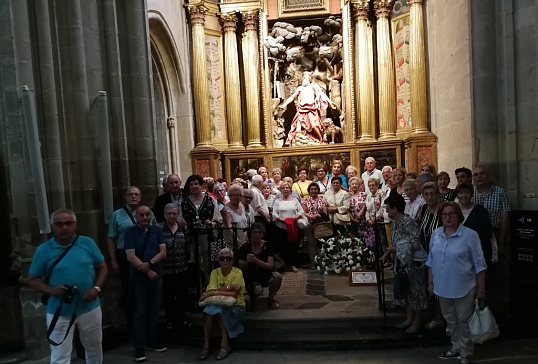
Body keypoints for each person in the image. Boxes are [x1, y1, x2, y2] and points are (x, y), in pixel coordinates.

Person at [28, 209, 107, 364]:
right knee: (60, 355)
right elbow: (32, 279)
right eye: (59, 224)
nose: (64, 227)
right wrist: (51, 290)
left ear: (75, 225)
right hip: (59, 310)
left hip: (89, 307)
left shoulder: (87, 243)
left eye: (68, 223)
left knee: (94, 349)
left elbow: (102, 266)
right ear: (53, 227)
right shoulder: (44, 250)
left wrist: (96, 288)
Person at [427, 202, 486, 364]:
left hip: (464, 286)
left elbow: (479, 264)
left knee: (464, 320)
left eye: (452, 213)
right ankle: (456, 347)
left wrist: (481, 288)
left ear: (458, 215)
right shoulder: (435, 234)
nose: (448, 217)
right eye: (445, 214)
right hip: (442, 286)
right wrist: (430, 283)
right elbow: (430, 261)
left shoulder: (470, 235)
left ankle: (466, 352)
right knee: (450, 320)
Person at [107, 186, 155, 331]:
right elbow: (111, 238)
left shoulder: (147, 213)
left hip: (146, 255)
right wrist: (114, 260)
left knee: (147, 290)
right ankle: (132, 325)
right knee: (130, 291)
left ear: (140, 197)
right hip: (125, 256)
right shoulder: (117, 215)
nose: (134, 197)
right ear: (125, 197)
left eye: (136, 194)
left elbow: (155, 231)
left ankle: (148, 324)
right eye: (131, 194)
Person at [124, 206, 167, 361]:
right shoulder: (129, 232)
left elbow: (163, 251)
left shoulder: (157, 230)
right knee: (140, 313)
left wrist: (150, 263)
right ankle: (139, 347)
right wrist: (147, 270)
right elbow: (130, 256)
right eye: (141, 215)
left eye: (148, 214)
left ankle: (152, 340)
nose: (145, 217)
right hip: (139, 279)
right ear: (136, 216)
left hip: (157, 278)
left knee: (153, 311)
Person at [381, 195, 428, 334]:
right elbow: (395, 243)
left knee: (416, 292)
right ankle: (409, 318)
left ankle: (417, 321)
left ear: (395, 209)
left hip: (413, 263)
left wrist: (395, 250)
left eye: (388, 209)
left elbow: (415, 243)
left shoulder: (408, 222)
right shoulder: (395, 222)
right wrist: (386, 254)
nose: (387, 212)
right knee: (407, 291)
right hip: (401, 262)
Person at [472, 165, 510, 314]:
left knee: (496, 272)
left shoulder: (500, 192)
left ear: (488, 175)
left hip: (494, 234)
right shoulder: (471, 193)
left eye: (482, 174)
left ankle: (497, 309)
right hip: (475, 237)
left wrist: (501, 241)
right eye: (476, 175)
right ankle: (479, 307)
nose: (479, 177)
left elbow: (505, 218)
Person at [199, 248, 246, 361]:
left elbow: (235, 294)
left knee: (220, 312)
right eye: (222, 258)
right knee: (208, 312)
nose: (225, 261)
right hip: (217, 303)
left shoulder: (237, 272)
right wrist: (228, 288)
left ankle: (224, 345)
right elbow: (215, 293)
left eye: (228, 258)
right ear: (219, 260)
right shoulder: (215, 272)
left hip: (236, 306)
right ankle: (206, 345)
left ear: (232, 261)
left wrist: (213, 292)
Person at [278, 71, 337, 145]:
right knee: (297, 128)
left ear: (310, 78)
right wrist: (284, 105)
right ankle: (297, 142)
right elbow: (292, 97)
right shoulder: (300, 88)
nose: (305, 77)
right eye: (303, 76)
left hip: (311, 109)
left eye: (306, 76)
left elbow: (322, 94)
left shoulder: (313, 86)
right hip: (301, 111)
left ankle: (321, 139)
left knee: (314, 125)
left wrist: (330, 102)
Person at [159, 203, 193, 330]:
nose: (172, 216)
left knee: (181, 295)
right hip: (166, 268)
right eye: (169, 213)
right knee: (168, 296)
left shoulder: (183, 228)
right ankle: (170, 320)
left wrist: (191, 257)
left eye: (174, 213)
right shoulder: (159, 228)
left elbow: (188, 243)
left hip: (181, 267)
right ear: (164, 215)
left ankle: (181, 319)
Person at [181, 175, 221, 281]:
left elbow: (218, 217)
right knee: (195, 263)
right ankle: (198, 287)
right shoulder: (184, 202)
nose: (194, 186)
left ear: (201, 185)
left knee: (208, 263)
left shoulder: (210, 200)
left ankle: (210, 286)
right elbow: (181, 219)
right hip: (192, 237)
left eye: (196, 184)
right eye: (191, 185)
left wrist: (212, 223)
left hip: (207, 236)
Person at [417, 182, 444, 329]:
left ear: (438, 194)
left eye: (433, 193)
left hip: (441, 253)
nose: (430, 197)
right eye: (426, 194)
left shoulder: (443, 209)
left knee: (440, 287)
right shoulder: (424, 209)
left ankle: (440, 317)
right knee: (430, 286)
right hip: (426, 252)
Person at [238, 223, 282, 310]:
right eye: (254, 232)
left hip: (264, 274)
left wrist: (257, 261)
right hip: (251, 278)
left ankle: (271, 299)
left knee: (277, 276)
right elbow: (240, 269)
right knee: (257, 290)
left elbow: (270, 266)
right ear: (250, 234)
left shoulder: (267, 246)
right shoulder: (245, 247)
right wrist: (246, 261)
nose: (257, 235)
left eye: (259, 232)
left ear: (263, 234)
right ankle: (252, 300)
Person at [457, 182, 494, 265]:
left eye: (467, 192)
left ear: (471, 194)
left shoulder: (480, 211)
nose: (464, 195)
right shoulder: (454, 210)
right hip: (459, 254)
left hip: (476, 252)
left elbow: (486, 233)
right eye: (461, 193)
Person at [273, 181, 304, 272]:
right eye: (283, 188)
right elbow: (274, 214)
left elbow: (301, 212)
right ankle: (285, 265)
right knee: (283, 246)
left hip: (293, 227)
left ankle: (292, 264)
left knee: (293, 246)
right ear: (280, 190)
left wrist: (294, 218)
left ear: (290, 189)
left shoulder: (294, 200)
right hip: (281, 227)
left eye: (287, 188)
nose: (285, 189)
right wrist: (283, 220)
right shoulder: (278, 201)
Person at [302, 182, 328, 269]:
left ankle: (321, 263)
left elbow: (325, 212)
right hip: (310, 224)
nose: (313, 191)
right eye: (312, 189)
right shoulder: (305, 200)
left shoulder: (322, 200)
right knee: (311, 244)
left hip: (320, 225)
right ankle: (313, 263)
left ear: (318, 190)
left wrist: (318, 216)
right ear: (309, 191)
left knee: (320, 244)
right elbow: (303, 212)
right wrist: (311, 217)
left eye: (315, 189)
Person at [365, 178, 388, 251]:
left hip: (380, 222)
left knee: (383, 241)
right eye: (369, 185)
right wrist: (368, 219)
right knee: (374, 242)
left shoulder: (382, 194)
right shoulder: (368, 195)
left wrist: (375, 219)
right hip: (371, 223)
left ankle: (386, 260)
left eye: (373, 185)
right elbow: (367, 209)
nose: (371, 187)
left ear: (377, 185)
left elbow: (382, 208)